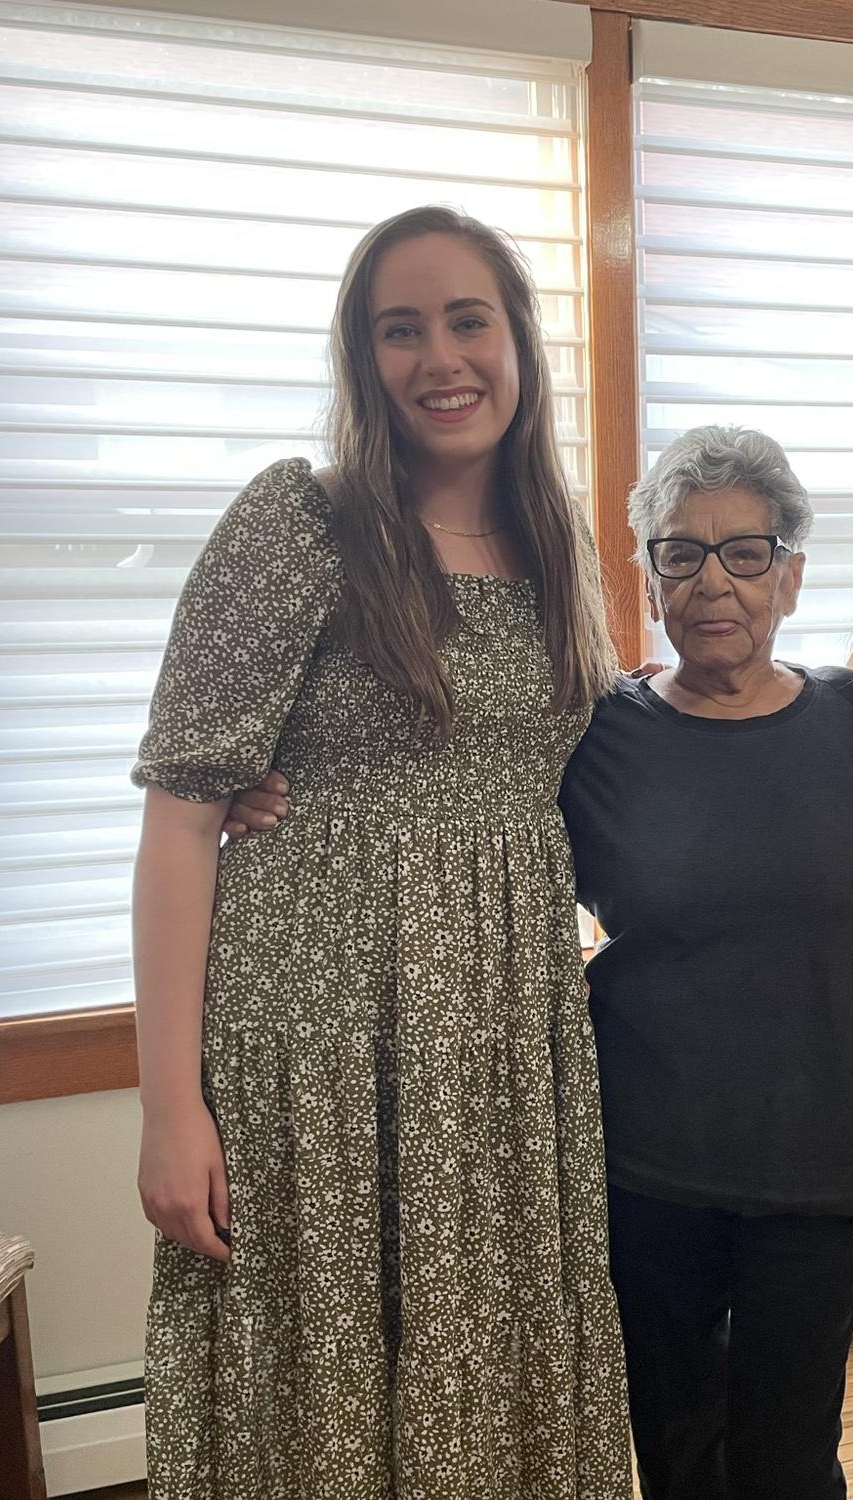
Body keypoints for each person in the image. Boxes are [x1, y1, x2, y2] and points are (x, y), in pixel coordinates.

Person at [228, 425, 853, 1500]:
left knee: (790, 1453)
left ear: (791, 573)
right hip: (648, 1156)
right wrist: (252, 787)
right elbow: (433, 780)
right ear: (646, 577)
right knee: (679, 1442)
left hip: (821, 1154)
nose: (712, 583)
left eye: (745, 552)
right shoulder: (593, 731)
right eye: (678, 554)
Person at [130, 205, 630, 1498]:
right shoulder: (302, 522)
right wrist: (170, 1109)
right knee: (323, 1378)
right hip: (313, 1035)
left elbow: (567, 785)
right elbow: (184, 818)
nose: (438, 358)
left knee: (491, 1363)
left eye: (468, 320)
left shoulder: (557, 544)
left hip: (505, 1043)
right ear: (362, 358)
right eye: (397, 329)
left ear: (518, 340)